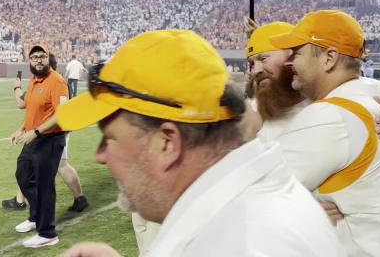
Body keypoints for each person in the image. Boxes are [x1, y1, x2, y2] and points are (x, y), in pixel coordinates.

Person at [56, 30, 345, 256]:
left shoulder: (240, 242)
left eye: (110, 138)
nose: (101, 155)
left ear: (167, 143)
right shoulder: (241, 210)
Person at [246, 19, 380, 232]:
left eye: (263, 58)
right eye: (251, 63)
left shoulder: (356, 93)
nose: (255, 70)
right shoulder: (258, 109)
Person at [3, 53, 89, 213]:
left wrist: (16, 86)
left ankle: (26, 204)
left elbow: (21, 104)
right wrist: (23, 128)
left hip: (50, 133)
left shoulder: (51, 83)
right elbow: (37, 113)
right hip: (58, 130)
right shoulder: (57, 81)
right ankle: (79, 198)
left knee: (33, 165)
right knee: (45, 164)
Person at [8, 44, 69, 248]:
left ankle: (48, 232)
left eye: (42, 56)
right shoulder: (33, 81)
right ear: (30, 61)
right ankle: (36, 217)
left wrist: (34, 132)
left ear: (48, 58)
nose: (39, 60)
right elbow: (32, 110)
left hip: (50, 138)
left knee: (44, 185)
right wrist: (22, 128)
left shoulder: (57, 81)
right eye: (34, 57)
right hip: (33, 137)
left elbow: (62, 114)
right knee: (23, 174)